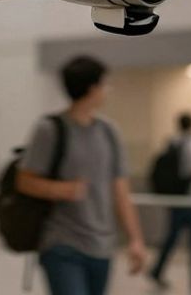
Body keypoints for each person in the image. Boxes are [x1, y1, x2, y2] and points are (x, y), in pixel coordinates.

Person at [16, 56, 148, 295]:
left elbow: (121, 192)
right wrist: (61, 190)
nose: (107, 90)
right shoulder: (50, 129)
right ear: (92, 88)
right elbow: (24, 181)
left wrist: (135, 240)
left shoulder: (109, 132)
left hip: (102, 246)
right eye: (104, 84)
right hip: (61, 243)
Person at [150, 112, 191, 289]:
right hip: (190, 198)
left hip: (176, 197)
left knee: (173, 236)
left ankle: (158, 270)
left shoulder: (173, 142)